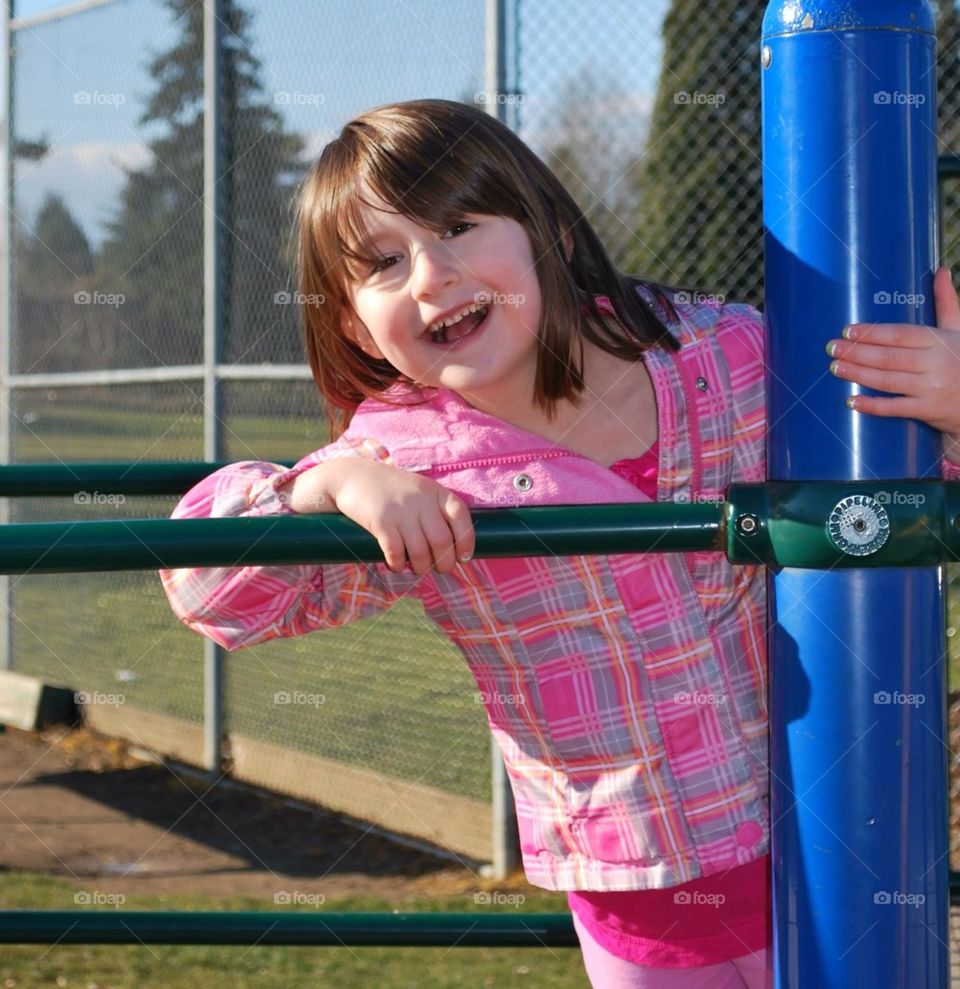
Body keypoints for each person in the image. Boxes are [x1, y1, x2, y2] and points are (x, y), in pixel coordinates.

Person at [159, 98, 960, 989]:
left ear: (553, 236)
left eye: (459, 226)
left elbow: (890, 497)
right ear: (353, 326)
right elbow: (210, 593)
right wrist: (322, 485)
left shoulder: (725, 357)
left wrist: (951, 406)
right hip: (636, 892)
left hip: (832, 836)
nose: (432, 275)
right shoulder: (400, 465)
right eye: (385, 262)